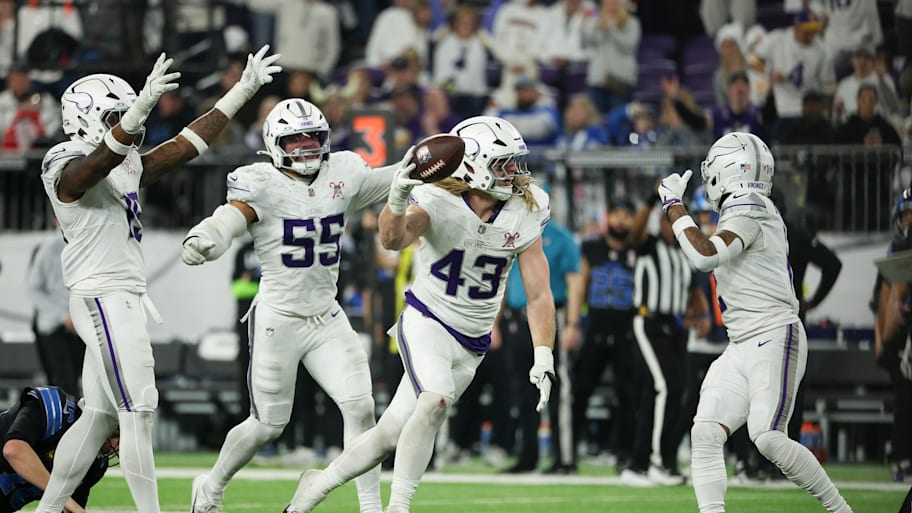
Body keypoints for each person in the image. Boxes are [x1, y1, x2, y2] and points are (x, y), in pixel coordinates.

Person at [35, 45, 281, 513]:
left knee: (98, 418)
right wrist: (141, 109)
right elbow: (91, 170)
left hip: (120, 295)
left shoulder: (122, 158)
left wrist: (241, 92)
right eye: (115, 115)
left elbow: (185, 145)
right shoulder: (62, 160)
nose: (124, 122)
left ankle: (48, 510)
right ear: (83, 118)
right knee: (140, 410)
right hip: (101, 295)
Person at [284, 116, 555, 513]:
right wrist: (395, 200)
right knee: (436, 401)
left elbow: (538, 293)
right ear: (474, 164)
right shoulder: (437, 197)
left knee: (391, 431)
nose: (515, 174)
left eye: (516, 163)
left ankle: (316, 486)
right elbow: (393, 240)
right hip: (428, 319)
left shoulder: (526, 208)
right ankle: (399, 508)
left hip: (473, 340)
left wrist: (543, 354)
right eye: (504, 164)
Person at [182, 98, 407, 513]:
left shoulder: (342, 171)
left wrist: (423, 162)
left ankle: (372, 507)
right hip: (278, 319)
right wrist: (209, 235)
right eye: (295, 138)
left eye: (312, 137)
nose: (305, 146)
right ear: (273, 142)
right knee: (267, 425)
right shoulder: (261, 182)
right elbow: (233, 215)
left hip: (326, 315)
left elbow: (390, 179)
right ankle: (210, 487)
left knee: (361, 406)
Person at [658, 132, 853, 513]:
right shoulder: (746, 206)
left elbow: (704, 256)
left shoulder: (750, 205)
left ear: (726, 169)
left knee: (766, 436)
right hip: (742, 342)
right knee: (706, 429)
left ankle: (841, 510)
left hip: (774, 333)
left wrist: (673, 206)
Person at [0, 386, 118, 513]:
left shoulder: (95, 464)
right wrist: (61, 497)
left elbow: (71, 508)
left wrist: (68, 503)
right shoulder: (57, 411)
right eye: (116, 435)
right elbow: (14, 450)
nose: (118, 446)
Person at [874, 188, 912, 482]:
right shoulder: (898, 247)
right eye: (906, 214)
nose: (909, 219)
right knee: (905, 396)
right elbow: (884, 298)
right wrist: (882, 339)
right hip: (902, 333)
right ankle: (901, 457)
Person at [26, 221, 85, 397]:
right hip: (54, 328)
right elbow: (33, 289)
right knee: (64, 386)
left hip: (78, 328)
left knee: (76, 383)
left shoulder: (86, 247)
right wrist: (63, 316)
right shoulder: (49, 249)